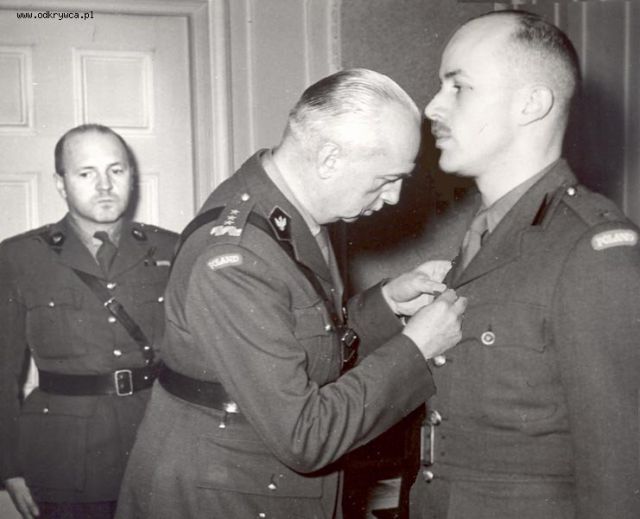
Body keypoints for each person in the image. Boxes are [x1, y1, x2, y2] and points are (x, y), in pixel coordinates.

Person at [115, 68, 467, 519]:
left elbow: (301, 340)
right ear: (329, 159)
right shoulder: (236, 258)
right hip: (225, 497)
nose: (395, 197)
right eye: (386, 179)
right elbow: (304, 436)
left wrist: (387, 306)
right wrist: (415, 349)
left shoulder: (291, 212)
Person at [410, 10, 640, 519]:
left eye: (458, 87)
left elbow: (620, 474)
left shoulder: (591, 250)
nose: (432, 106)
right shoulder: (483, 237)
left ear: (531, 103)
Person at [0, 124, 178, 519]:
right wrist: (8, 466)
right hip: (64, 460)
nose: (105, 186)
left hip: (156, 443)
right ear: (60, 184)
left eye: (116, 170)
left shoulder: (171, 248)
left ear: (131, 176)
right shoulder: (19, 258)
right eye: (86, 173)